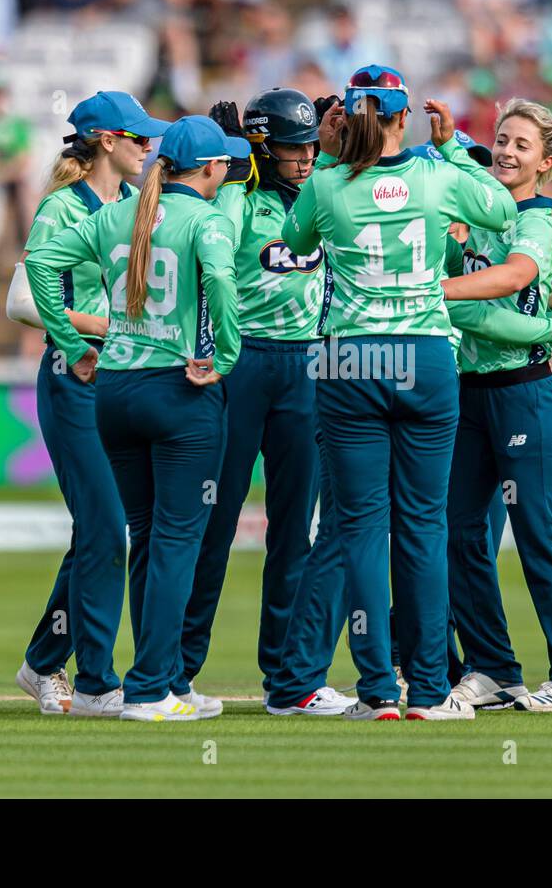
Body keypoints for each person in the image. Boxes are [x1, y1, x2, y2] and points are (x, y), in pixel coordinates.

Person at [279, 64, 517, 720]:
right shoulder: (438, 174)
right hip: (423, 355)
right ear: (403, 116)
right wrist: (450, 147)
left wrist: (328, 156)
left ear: (349, 116)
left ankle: (378, 688)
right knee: (424, 525)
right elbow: (500, 208)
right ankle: (431, 690)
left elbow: (295, 240)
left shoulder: (327, 183)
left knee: (357, 529)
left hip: (350, 357)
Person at [25, 115, 246, 722]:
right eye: (223, 164)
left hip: (115, 393)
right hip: (178, 390)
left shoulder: (117, 214)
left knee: (147, 537)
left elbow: (41, 265)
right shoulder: (208, 219)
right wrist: (224, 356)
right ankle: (152, 688)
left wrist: (71, 346)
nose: (227, 170)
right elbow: (223, 285)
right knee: (177, 540)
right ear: (208, 169)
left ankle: (160, 685)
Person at [180, 87, 356, 715]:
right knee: (213, 524)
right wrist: (230, 164)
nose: (303, 158)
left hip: (308, 366)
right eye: (288, 147)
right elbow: (210, 247)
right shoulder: (238, 197)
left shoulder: (323, 191)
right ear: (260, 145)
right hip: (242, 363)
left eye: (308, 147)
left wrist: (339, 130)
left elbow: (357, 168)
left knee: (294, 534)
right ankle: (175, 673)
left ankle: (289, 681)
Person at [439, 98, 552, 712]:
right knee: (459, 536)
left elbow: (510, 282)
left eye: (521, 145)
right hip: (469, 393)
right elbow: (521, 300)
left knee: (539, 536)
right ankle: (494, 670)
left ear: (547, 161)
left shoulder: (535, 218)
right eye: (501, 139)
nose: (506, 151)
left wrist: (434, 289)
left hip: (522, 396)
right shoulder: (482, 210)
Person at [8, 91, 168, 717]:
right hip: (75, 379)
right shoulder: (60, 209)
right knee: (105, 528)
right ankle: (98, 681)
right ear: (107, 141)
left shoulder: (136, 202)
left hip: (122, 380)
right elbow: (30, 293)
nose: (148, 147)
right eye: (137, 137)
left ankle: (45, 663)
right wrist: (85, 339)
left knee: (99, 533)